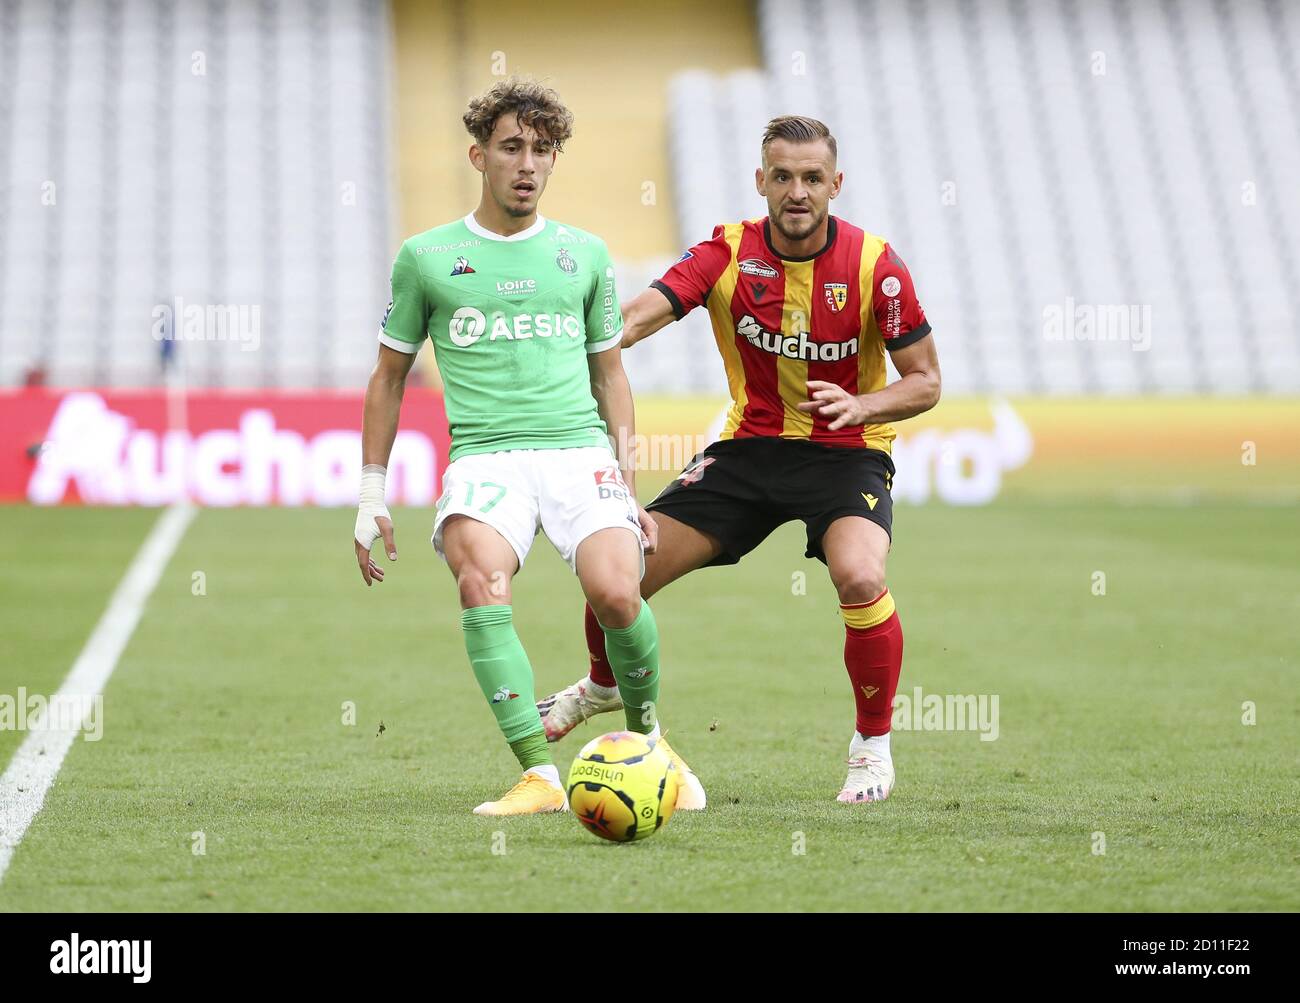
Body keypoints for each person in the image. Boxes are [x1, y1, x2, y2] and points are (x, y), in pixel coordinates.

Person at [539, 115, 942, 803]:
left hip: (846, 453)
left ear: (835, 184)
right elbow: (643, 313)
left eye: (812, 178)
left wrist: (865, 407)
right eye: (782, 176)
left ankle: (871, 746)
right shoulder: (729, 252)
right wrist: (589, 338)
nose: (797, 191)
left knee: (859, 572)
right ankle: (604, 684)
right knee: (618, 561)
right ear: (761, 180)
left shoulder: (875, 265)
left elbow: (926, 380)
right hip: (749, 451)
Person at [353, 77, 705, 816]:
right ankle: (538, 775)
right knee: (481, 583)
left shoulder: (585, 254)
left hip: (580, 452)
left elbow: (611, 374)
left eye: (543, 150)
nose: (528, 163)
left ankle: (649, 741)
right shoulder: (426, 256)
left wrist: (627, 484)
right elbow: (388, 378)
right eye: (513, 147)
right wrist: (370, 493)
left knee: (617, 592)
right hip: (485, 459)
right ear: (478, 155)